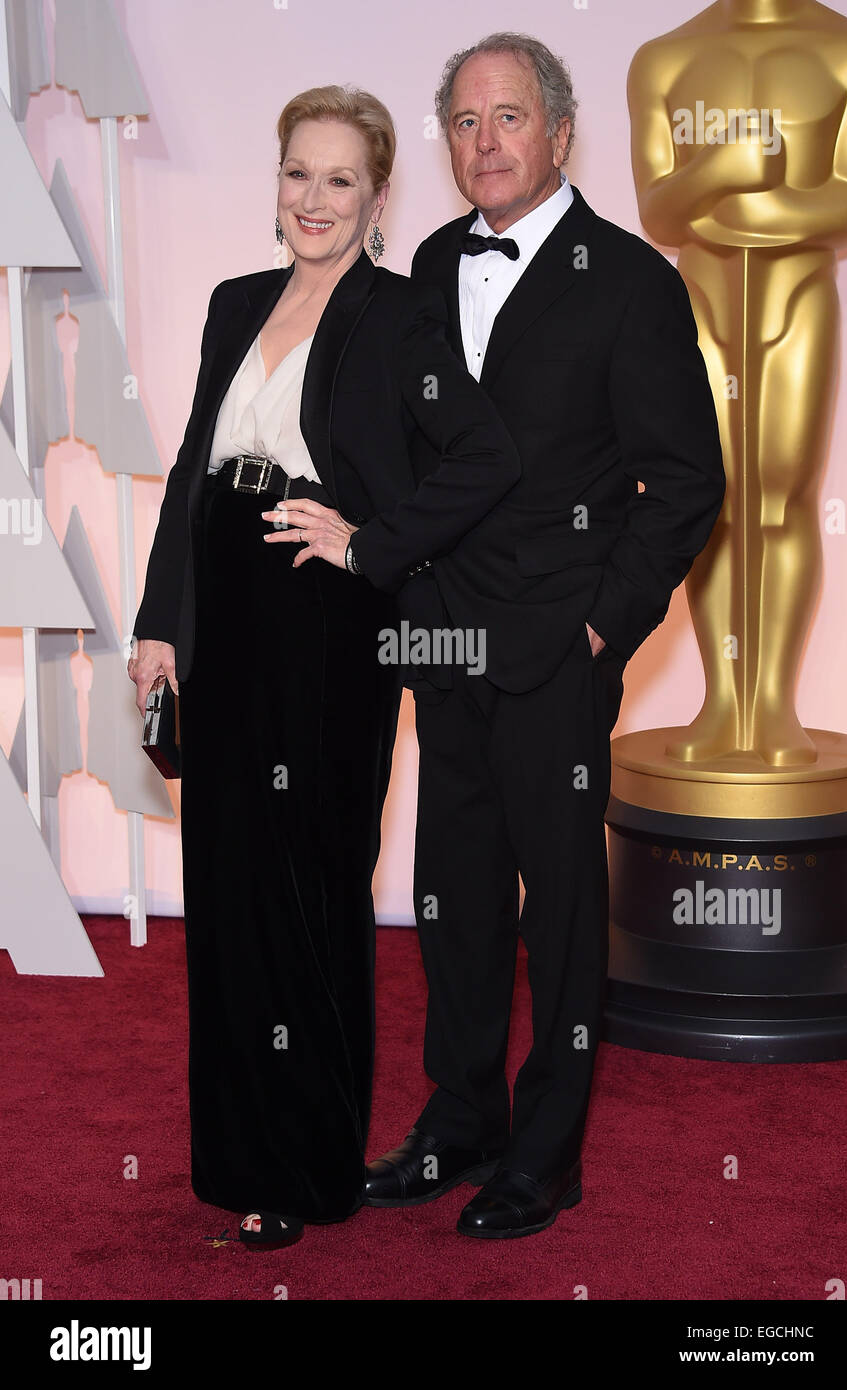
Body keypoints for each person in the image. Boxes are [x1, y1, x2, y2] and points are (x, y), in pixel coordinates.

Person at [127, 85, 520, 1250]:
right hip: (228, 611)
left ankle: (311, 1162)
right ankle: (244, 1157)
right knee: (233, 894)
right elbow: (196, 467)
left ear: (377, 197)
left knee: (309, 892)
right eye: (299, 173)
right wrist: (163, 624)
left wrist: (366, 539)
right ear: (278, 180)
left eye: (339, 179)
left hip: (328, 624)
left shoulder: (399, 320)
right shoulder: (232, 302)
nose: (313, 198)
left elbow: (486, 454)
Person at [356, 33, 726, 1238]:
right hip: (441, 643)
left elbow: (683, 484)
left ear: (561, 132)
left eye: (508, 117)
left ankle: (546, 1156)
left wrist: (598, 626)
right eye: (464, 124)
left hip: (555, 647)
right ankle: (458, 1121)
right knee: (450, 895)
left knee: (560, 909)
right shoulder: (424, 262)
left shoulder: (630, 280)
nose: (485, 143)